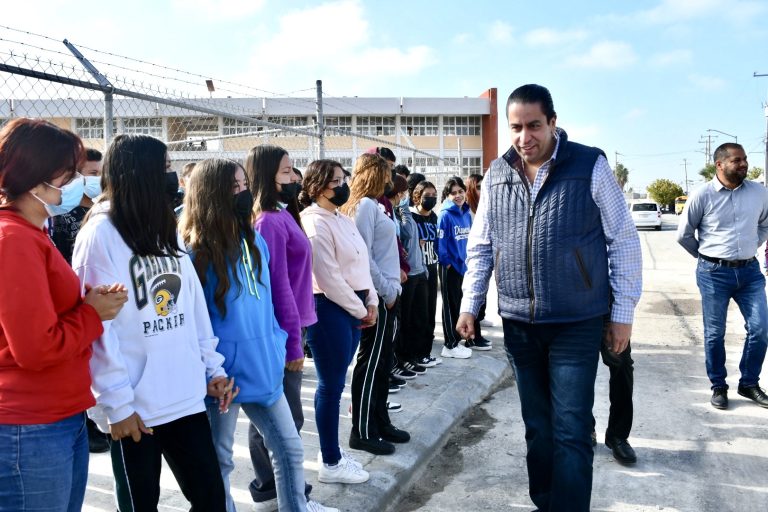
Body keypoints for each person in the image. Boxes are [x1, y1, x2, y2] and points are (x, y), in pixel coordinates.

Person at [456, 84, 642, 511]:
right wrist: (471, 304)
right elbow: (482, 246)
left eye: (534, 126)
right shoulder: (497, 174)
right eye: (516, 128)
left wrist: (622, 313)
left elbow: (624, 241)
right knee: (537, 427)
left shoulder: (589, 164)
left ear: (553, 122)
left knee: (571, 427)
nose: (525, 138)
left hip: (577, 321)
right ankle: (546, 502)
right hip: (520, 324)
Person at [72, 134, 233, 512]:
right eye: (163, 168)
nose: (172, 176)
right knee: (141, 506)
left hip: (186, 398)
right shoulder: (100, 235)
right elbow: (99, 329)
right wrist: (115, 404)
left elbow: (192, 308)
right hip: (136, 412)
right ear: (140, 174)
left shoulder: (166, 229)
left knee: (211, 498)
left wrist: (212, 368)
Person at [181, 158, 326, 512]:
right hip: (223, 381)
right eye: (234, 187)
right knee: (220, 460)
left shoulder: (254, 241)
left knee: (290, 448)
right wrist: (208, 373)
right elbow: (193, 326)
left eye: (245, 185)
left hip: (264, 367)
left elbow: (274, 299)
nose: (244, 193)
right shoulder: (194, 252)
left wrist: (280, 343)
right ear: (212, 194)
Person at [0, 118, 127, 512]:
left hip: (56, 416)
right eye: (68, 174)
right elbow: (36, 348)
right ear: (36, 180)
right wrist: (92, 314)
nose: (78, 181)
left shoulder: (32, 232)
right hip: (31, 425)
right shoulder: (15, 240)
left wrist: (85, 304)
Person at [246, 144, 324, 512]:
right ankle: (281, 494)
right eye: (286, 173)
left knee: (280, 414)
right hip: (281, 332)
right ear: (266, 178)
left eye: (293, 171)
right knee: (282, 419)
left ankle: (279, 491)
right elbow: (276, 287)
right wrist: (293, 344)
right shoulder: (268, 221)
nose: (295, 178)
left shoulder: (281, 214)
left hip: (294, 327)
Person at [299, 159, 376, 484]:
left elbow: (362, 263)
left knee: (336, 383)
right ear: (317, 186)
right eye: (335, 181)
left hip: (354, 305)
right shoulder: (314, 222)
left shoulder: (340, 218)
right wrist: (361, 310)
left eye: (343, 179)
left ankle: (332, 452)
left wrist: (370, 299)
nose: (342, 186)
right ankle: (330, 461)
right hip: (330, 308)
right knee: (331, 386)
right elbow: (328, 277)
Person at [677, 142, 768, 410]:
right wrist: (707, 258)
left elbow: (765, 224)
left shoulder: (759, 193)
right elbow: (683, 235)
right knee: (715, 334)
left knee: (761, 329)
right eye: (737, 160)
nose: (744, 164)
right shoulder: (702, 195)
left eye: (745, 159)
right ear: (720, 164)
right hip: (713, 274)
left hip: (750, 272)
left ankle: (749, 383)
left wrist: (752, 244)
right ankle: (718, 385)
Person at [340, 153, 410, 455]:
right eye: (386, 173)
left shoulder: (376, 205)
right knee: (370, 364)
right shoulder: (367, 205)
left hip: (385, 294)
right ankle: (363, 430)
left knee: (382, 363)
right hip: (378, 297)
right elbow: (364, 257)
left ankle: (381, 421)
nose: (390, 178)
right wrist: (387, 290)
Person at [49, 147, 110, 454]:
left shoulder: (104, 213)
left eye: (99, 175)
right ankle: (90, 423)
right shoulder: (60, 213)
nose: (92, 181)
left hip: (94, 301)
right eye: (88, 175)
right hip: (72, 302)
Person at [437, 177, 477, 359]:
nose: (458, 195)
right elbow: (441, 244)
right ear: (447, 195)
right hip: (450, 267)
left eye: (460, 191)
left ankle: (457, 340)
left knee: (460, 305)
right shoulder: (445, 215)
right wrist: (448, 264)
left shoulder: (466, 214)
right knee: (450, 305)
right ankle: (450, 344)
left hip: (464, 267)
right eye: (453, 193)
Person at [410, 181, 442, 367]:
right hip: (418, 272)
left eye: (433, 195)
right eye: (427, 195)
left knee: (430, 312)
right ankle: (416, 354)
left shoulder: (434, 217)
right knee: (418, 315)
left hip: (432, 268)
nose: (431, 198)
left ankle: (426, 353)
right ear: (417, 197)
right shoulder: (412, 218)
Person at [462, 173, 491, 350]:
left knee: (481, 299)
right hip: (465, 263)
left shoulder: (483, 208)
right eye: (478, 187)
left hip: (479, 264)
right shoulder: (466, 211)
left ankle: (477, 333)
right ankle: (472, 337)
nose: (481, 191)